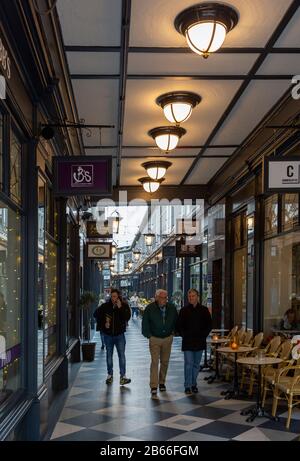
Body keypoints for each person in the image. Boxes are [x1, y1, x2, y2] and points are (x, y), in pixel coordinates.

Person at [142, 289, 178, 396]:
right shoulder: (150, 308)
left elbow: (176, 320)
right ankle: (154, 385)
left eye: (166, 298)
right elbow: (145, 323)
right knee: (154, 362)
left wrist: (174, 332)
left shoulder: (171, 308)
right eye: (162, 298)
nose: (164, 300)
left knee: (165, 361)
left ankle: (162, 382)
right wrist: (149, 336)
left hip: (167, 338)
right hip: (155, 339)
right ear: (157, 298)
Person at [176, 288, 212, 395]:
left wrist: (203, 335)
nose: (191, 298)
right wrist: (184, 335)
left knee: (196, 365)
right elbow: (179, 326)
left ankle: (193, 384)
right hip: (187, 342)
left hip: (200, 341)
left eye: (193, 296)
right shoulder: (183, 310)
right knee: (188, 364)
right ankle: (187, 386)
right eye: (190, 296)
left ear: (198, 297)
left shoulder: (204, 310)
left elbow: (209, 325)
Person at [95, 288, 131, 385]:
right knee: (109, 356)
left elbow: (127, 317)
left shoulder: (124, 306)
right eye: (112, 296)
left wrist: (121, 308)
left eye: (115, 296)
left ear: (119, 297)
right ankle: (110, 375)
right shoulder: (105, 306)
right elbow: (96, 314)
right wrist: (103, 325)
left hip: (120, 335)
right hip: (108, 335)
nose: (113, 298)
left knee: (121, 356)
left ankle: (123, 376)